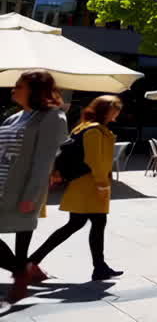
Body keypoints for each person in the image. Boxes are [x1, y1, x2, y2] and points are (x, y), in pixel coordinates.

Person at [28, 95, 124, 287]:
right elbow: (94, 160)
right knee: (87, 224)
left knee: (82, 224)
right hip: (89, 186)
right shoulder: (94, 131)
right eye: (115, 109)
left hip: (83, 186)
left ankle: (99, 267)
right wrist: (102, 184)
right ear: (106, 111)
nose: (117, 113)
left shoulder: (84, 127)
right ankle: (33, 261)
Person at [0, 71, 67, 303]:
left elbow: (44, 161)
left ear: (34, 90)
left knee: (22, 232)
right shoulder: (14, 117)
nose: (13, 89)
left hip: (20, 187)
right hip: (1, 183)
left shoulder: (52, 118)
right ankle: (23, 270)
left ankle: (21, 273)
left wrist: (31, 195)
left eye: (19, 86)